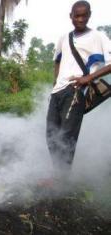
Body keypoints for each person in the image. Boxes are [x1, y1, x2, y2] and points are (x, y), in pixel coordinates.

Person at [46, 1, 111, 177]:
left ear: (89, 15)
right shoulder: (63, 38)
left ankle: (62, 180)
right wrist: (55, 81)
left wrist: (88, 78)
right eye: (77, 15)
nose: (80, 19)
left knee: (67, 136)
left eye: (84, 15)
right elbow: (57, 59)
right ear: (71, 16)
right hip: (58, 91)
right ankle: (58, 174)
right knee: (51, 134)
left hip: (76, 90)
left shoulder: (99, 37)